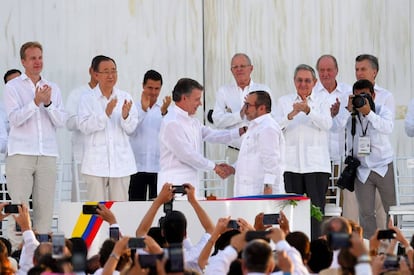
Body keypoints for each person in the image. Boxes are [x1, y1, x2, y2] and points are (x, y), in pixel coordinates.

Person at [3, 41, 67, 241]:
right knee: (19, 208)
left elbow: (61, 120)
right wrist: (35, 102)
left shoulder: (52, 88)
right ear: (23, 61)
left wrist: (47, 103)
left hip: (47, 153)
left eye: (40, 57)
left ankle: (42, 255)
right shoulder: (12, 87)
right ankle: (15, 252)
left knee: (45, 209)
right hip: (21, 153)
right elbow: (14, 119)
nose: (37, 62)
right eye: (32, 58)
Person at [158, 78, 245, 195]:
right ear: (184, 98)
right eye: (197, 99)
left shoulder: (192, 121)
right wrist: (214, 167)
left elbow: (212, 135)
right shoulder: (172, 122)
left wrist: (240, 131)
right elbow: (187, 154)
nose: (200, 103)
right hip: (174, 185)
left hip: (191, 184)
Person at [332, 79, 396, 239]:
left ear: (373, 95)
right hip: (362, 170)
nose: (362, 100)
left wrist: (369, 113)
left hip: (383, 167)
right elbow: (335, 128)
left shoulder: (382, 110)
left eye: (365, 95)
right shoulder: (350, 114)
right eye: (358, 96)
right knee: (366, 213)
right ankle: (370, 247)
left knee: (391, 210)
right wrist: (346, 109)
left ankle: (395, 244)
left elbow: (388, 127)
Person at [275, 64, 332, 240]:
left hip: (316, 165)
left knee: (316, 212)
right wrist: (290, 114)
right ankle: (293, 247)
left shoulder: (323, 101)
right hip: (291, 165)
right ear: (294, 81)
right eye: (299, 80)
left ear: (314, 82)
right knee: (291, 210)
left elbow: (327, 124)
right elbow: (275, 127)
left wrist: (308, 110)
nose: (303, 84)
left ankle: (316, 248)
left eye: (307, 80)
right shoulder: (284, 102)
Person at [78, 55, 138, 201]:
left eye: (114, 71)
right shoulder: (87, 99)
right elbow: (84, 126)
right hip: (95, 164)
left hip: (121, 163)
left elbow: (131, 129)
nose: (111, 75)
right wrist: (105, 114)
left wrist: (125, 116)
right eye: (106, 71)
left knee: (120, 210)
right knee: (96, 211)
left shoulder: (125, 97)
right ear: (96, 74)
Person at [212, 53, 273, 197]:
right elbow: (217, 119)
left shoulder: (263, 90)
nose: (239, 70)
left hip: (257, 152)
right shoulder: (224, 91)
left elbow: (269, 117)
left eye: (242, 66)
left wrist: (230, 117)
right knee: (232, 196)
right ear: (231, 70)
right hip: (234, 151)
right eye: (235, 67)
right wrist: (238, 115)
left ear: (251, 68)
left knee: (256, 195)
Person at [223, 90, 285, 196]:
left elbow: (271, 161)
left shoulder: (268, 127)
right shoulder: (254, 126)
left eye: (248, 105)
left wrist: (268, 187)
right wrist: (233, 168)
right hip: (248, 192)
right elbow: (250, 157)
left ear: (261, 108)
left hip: (261, 192)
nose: (244, 109)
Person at [128, 70, 171, 201]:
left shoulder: (165, 109)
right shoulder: (133, 107)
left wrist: (164, 113)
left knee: (158, 206)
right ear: (143, 86)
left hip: (158, 166)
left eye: (157, 89)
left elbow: (170, 134)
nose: (153, 92)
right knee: (135, 205)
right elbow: (130, 130)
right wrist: (143, 109)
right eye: (150, 88)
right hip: (136, 166)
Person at [65, 55, 100, 201]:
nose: (106, 76)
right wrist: (90, 120)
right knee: (83, 204)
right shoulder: (77, 94)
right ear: (91, 71)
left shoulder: (115, 95)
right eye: (102, 71)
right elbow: (69, 123)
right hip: (83, 157)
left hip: (106, 159)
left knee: (105, 204)